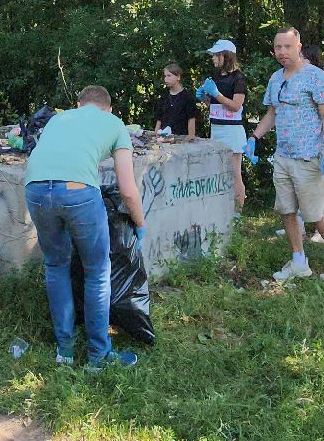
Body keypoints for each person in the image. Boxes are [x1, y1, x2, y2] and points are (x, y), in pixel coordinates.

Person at [24, 85, 147, 369]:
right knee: (97, 273)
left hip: (35, 189)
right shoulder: (115, 124)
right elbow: (128, 190)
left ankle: (64, 351)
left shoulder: (59, 118)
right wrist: (140, 224)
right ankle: (98, 356)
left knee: (56, 265)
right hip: (78, 192)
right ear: (109, 109)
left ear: (79, 104)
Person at [249, 28, 324, 283]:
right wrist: (254, 137)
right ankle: (298, 261)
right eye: (278, 47)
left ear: (298, 47)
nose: (282, 52)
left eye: (287, 47)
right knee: (287, 210)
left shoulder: (315, 76)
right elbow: (272, 114)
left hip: (309, 158)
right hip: (283, 157)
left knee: (315, 215)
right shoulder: (276, 78)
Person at [197, 40, 249, 211]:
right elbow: (214, 105)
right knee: (218, 171)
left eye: (216, 55)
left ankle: (238, 212)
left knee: (234, 173)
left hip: (232, 130)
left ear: (225, 56)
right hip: (216, 128)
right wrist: (204, 98)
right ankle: (222, 208)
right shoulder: (217, 77)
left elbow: (235, 106)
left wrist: (216, 94)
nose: (213, 58)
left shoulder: (238, 78)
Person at [152, 63, 198, 137]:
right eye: (165, 76)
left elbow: (191, 118)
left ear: (178, 77)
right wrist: (156, 133)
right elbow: (159, 118)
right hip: (164, 137)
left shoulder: (187, 96)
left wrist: (191, 136)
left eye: (169, 76)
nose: (165, 79)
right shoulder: (164, 96)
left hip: (181, 137)